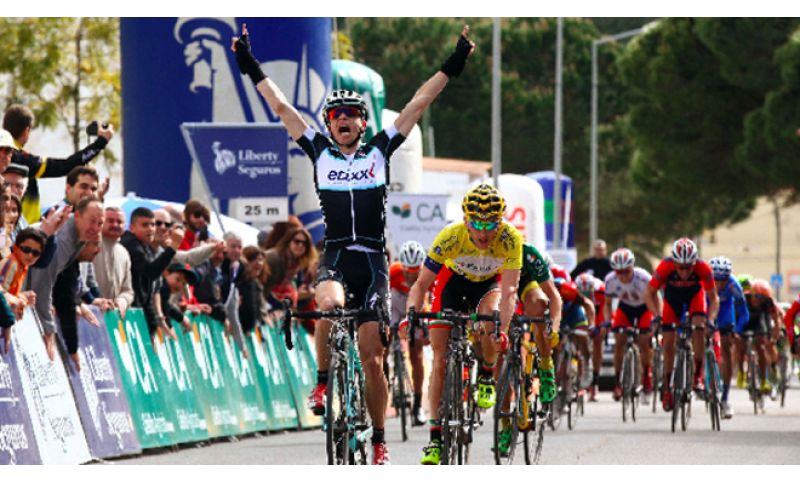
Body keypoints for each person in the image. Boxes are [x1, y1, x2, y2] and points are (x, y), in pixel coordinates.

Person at [232, 23, 475, 465]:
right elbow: (281, 106)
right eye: (335, 115)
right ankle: (323, 381)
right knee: (327, 305)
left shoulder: (380, 150)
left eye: (351, 114)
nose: (342, 120)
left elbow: (419, 102)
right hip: (338, 253)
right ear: (329, 124)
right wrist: (250, 64)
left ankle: (379, 438)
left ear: (363, 123)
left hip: (373, 260)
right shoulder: (319, 151)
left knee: (372, 357)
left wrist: (453, 63)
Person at [404, 184, 521, 465]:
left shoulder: (510, 239)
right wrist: (411, 314)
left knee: (491, 321)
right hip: (452, 285)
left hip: (487, 287)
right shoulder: (451, 236)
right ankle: (435, 438)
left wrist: (502, 332)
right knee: (440, 359)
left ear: (500, 222)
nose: (483, 232)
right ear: (466, 220)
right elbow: (421, 284)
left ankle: (486, 374)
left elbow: (509, 291)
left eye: (490, 224)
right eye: (477, 224)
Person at [3, 104, 113, 224]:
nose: (6, 155)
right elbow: (65, 166)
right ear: (27, 130)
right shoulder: (20, 157)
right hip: (20, 226)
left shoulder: (19, 156)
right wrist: (101, 142)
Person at [644, 237, 718, 412]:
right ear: (674, 263)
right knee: (668, 343)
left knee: (699, 327)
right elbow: (649, 293)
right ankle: (668, 388)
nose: (684, 272)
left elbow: (714, 298)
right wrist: (656, 315)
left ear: (695, 263)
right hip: (672, 299)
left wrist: (711, 320)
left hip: (694, 296)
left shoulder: (703, 268)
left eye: (688, 267)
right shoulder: (665, 267)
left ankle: (697, 375)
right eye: (680, 268)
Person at [26, 197, 100, 360]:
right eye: (92, 221)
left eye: (100, 223)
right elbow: (42, 283)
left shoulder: (80, 237)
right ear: (77, 215)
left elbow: (64, 284)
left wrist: (78, 302)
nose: (96, 228)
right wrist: (48, 329)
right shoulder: (65, 238)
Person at [602, 248, 657, 404]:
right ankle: (618, 382)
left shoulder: (643, 277)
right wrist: (608, 321)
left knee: (644, 341)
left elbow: (656, 298)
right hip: (625, 308)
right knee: (619, 341)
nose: (623, 276)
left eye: (626, 271)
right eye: (619, 272)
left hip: (644, 308)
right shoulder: (610, 280)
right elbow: (607, 304)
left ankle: (646, 375)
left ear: (632, 267)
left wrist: (657, 317)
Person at [388, 240, 430, 426]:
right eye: (407, 271)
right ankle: (384, 378)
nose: (411, 275)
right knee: (383, 340)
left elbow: (432, 300)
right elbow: (383, 295)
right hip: (397, 304)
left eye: (415, 272)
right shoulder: (393, 271)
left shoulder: (428, 274)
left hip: (418, 305)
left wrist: (427, 326)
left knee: (417, 355)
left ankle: (418, 405)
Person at [120, 207, 179, 336]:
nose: (151, 229)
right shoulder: (131, 244)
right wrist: (172, 247)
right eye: (145, 225)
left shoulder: (144, 245)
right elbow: (151, 272)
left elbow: (151, 291)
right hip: (126, 311)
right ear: (132, 228)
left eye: (152, 225)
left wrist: (156, 322)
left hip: (138, 311)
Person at [708, 256, 748, 419]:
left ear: (728, 278)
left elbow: (744, 313)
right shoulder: (703, 283)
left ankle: (725, 398)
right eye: (715, 279)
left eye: (722, 280)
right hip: (708, 307)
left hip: (725, 312)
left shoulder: (734, 285)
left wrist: (737, 330)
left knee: (726, 347)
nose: (718, 284)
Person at [736, 279, 782, 398]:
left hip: (759, 322)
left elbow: (775, 319)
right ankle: (741, 373)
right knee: (740, 346)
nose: (759, 300)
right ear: (751, 293)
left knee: (761, 346)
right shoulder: (743, 298)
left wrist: (775, 334)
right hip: (744, 321)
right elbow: (735, 315)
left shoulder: (768, 302)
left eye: (762, 298)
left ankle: (763, 379)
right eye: (756, 296)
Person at [93, 207, 135, 318]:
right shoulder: (90, 245)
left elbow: (128, 290)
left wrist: (122, 301)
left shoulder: (124, 253)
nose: (115, 225)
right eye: (110, 221)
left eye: (119, 222)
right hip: (90, 313)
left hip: (111, 317)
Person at [262, 226, 317, 310]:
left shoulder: (296, 263)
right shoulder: (274, 258)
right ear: (288, 242)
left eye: (304, 243)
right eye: (297, 241)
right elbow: (263, 287)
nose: (300, 245)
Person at [575, 271, 605, 399]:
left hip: (597, 314)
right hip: (580, 313)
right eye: (582, 293)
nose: (585, 296)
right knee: (578, 340)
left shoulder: (601, 291)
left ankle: (595, 383)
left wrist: (598, 327)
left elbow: (604, 311)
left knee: (598, 340)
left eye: (588, 293)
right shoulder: (572, 291)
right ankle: (579, 380)